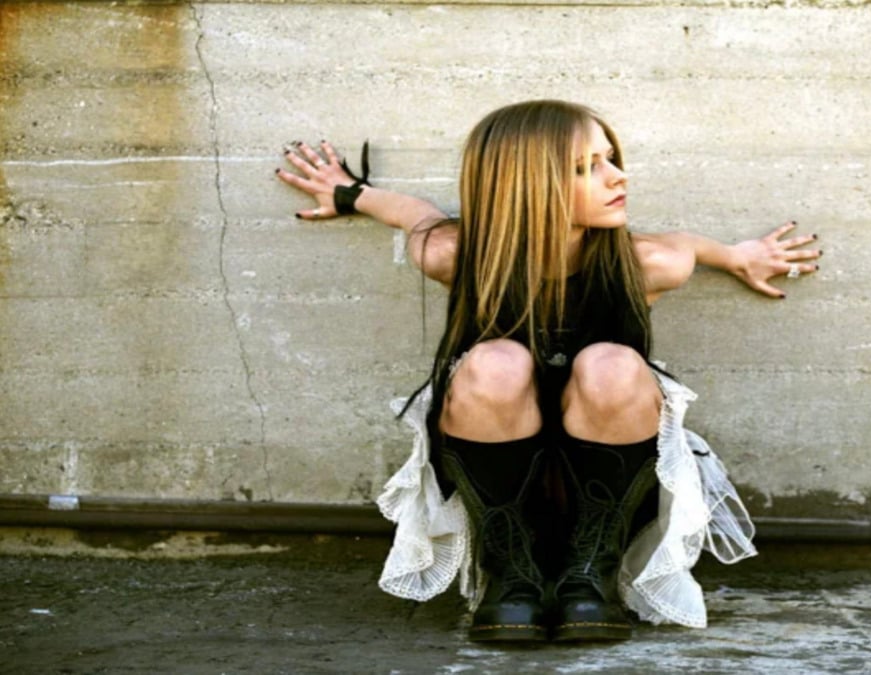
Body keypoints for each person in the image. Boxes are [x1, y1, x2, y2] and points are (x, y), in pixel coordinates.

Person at [276, 100, 821, 643]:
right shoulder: (457, 254)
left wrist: (738, 256)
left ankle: (591, 575)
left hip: (609, 474)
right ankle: (510, 575)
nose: (618, 176)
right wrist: (349, 193)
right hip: (497, 472)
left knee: (610, 363)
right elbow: (412, 213)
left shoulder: (647, 263)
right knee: (496, 361)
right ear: (523, 184)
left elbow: (691, 247)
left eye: (610, 158)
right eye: (587, 168)